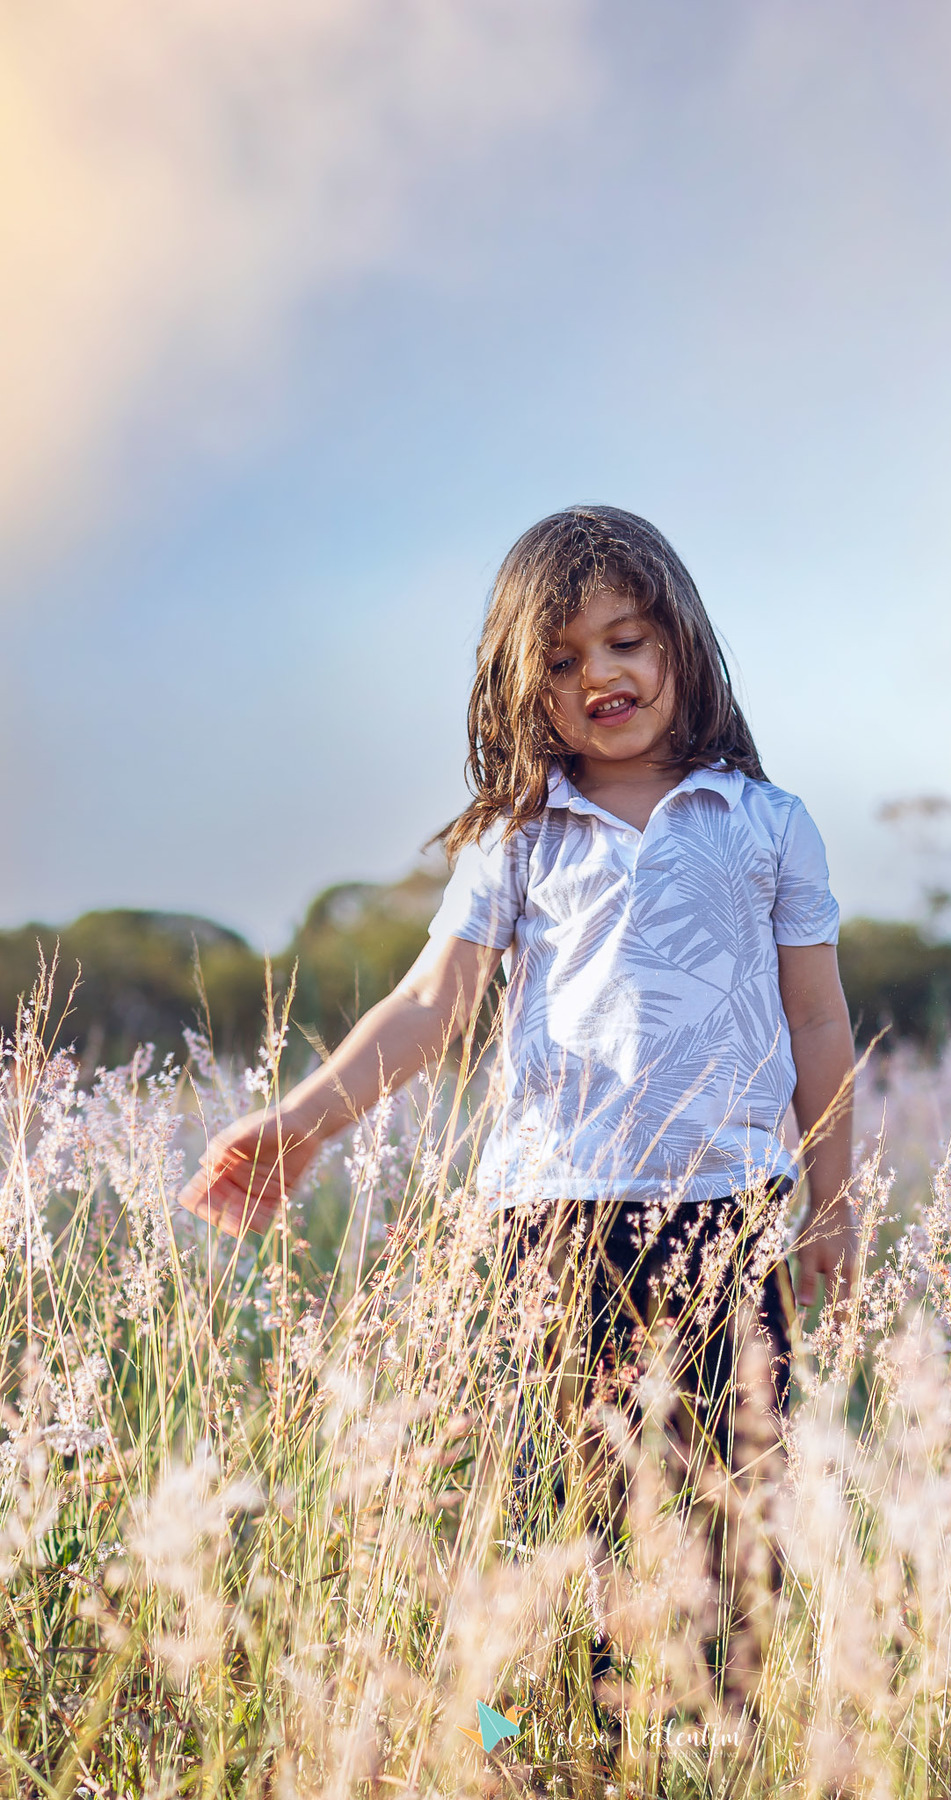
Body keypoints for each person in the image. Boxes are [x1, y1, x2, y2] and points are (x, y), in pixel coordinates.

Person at [179, 504, 857, 1698]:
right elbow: (429, 1004)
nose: (600, 674)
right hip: (552, 1219)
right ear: (522, 688)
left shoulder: (767, 823)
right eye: (562, 659)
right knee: (561, 1513)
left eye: (625, 641)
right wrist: (303, 1120)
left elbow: (818, 1025)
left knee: (738, 1511)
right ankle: (545, 1745)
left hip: (729, 1211)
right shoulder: (520, 834)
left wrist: (834, 1207)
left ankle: (713, 1739)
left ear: (681, 643)